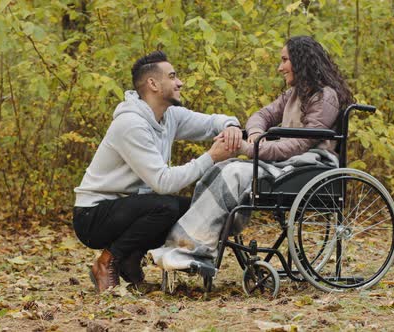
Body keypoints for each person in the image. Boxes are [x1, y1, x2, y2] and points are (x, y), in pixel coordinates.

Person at [151, 35, 354, 271]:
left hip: (311, 167)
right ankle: (188, 246)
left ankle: (192, 250)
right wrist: (256, 135)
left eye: (285, 60)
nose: (280, 67)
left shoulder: (325, 97)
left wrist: (248, 148)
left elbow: (300, 144)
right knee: (219, 169)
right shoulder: (293, 94)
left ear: (301, 61)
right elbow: (261, 116)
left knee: (234, 171)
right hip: (290, 164)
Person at [73, 50, 243, 293]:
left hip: (128, 207)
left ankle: (131, 257)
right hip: (93, 215)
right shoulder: (131, 124)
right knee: (167, 206)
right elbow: (162, 183)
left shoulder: (169, 115)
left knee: (197, 208)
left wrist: (231, 126)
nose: (180, 82)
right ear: (153, 83)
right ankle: (108, 261)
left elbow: (210, 123)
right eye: (172, 76)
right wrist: (212, 157)